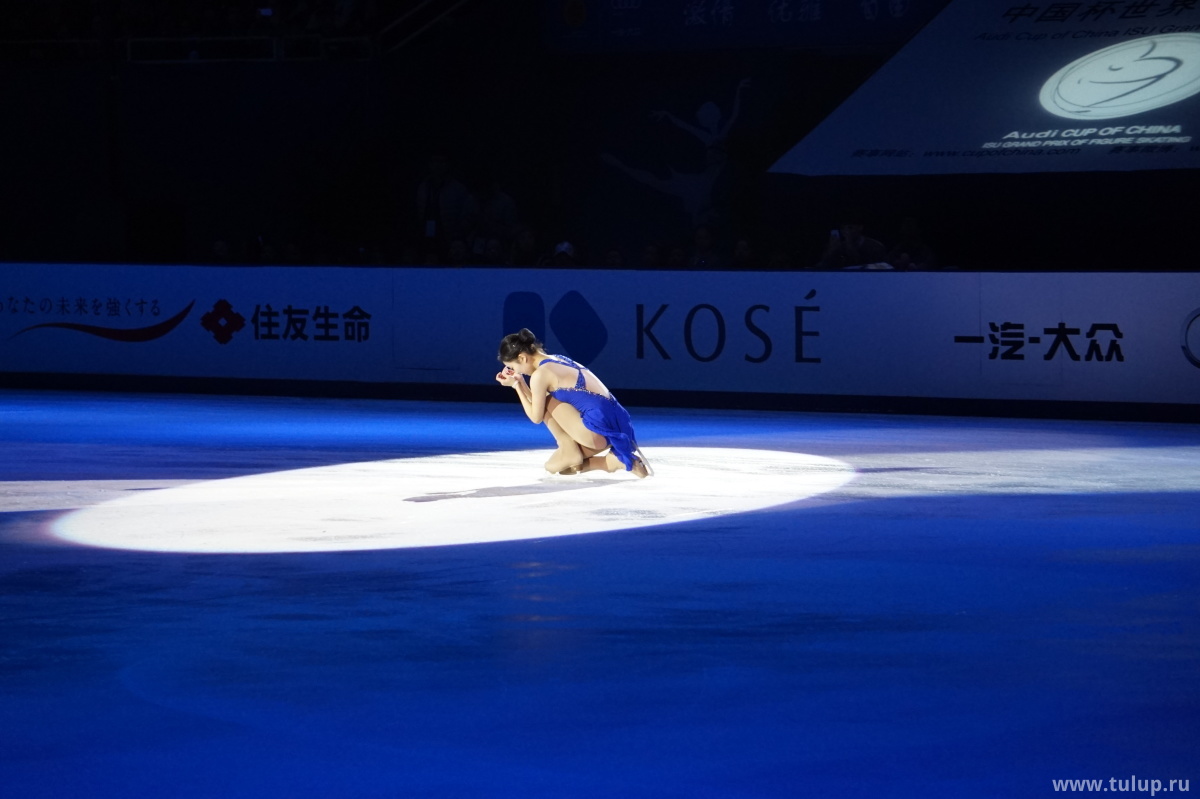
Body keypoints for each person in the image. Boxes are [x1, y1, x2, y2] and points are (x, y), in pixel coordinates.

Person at [495, 328, 651, 478]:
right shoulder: (558, 359)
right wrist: (521, 382)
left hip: (595, 432)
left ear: (522, 358)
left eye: (513, 367)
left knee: (548, 404)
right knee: (557, 467)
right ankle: (612, 462)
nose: (517, 371)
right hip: (617, 426)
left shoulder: (540, 375)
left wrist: (516, 386)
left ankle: (566, 446)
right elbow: (539, 401)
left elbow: (536, 416)